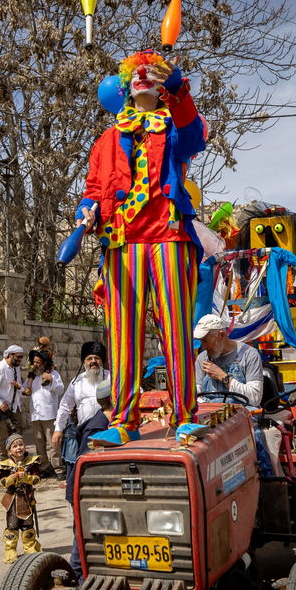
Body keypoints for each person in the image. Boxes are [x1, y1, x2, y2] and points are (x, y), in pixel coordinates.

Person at [75, 50, 207, 445]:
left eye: (152, 73)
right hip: (121, 240)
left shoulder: (174, 125)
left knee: (176, 328)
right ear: (126, 86)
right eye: (137, 73)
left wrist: (179, 87)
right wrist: (87, 211)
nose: (143, 76)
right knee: (123, 331)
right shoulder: (108, 137)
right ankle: (124, 420)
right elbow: (94, 188)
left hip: (168, 235)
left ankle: (185, 414)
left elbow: (194, 137)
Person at [194, 313, 274, 473]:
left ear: (221, 335)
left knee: (255, 436)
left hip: (242, 414)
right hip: (211, 415)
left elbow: (255, 397)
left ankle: (266, 481)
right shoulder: (202, 358)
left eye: (205, 340)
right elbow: (197, 393)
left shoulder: (249, 355)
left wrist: (224, 378)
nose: (202, 346)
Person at [64, 379, 113, 582]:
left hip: (89, 489)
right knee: (84, 536)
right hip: (84, 490)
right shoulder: (97, 427)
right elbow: (88, 464)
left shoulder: (106, 421)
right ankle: (78, 579)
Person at [53, 341, 108, 461]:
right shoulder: (76, 382)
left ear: (102, 361)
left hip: (108, 432)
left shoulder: (112, 378)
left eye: (97, 358)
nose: (93, 361)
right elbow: (64, 407)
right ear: (84, 362)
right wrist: (58, 429)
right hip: (84, 433)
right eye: (89, 358)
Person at [0, 434, 42, 563]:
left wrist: (26, 478)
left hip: (26, 499)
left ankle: (30, 547)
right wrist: (14, 477)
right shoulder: (5, 465)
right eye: (15, 446)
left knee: (28, 523)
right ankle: (10, 550)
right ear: (9, 450)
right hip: (12, 500)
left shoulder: (32, 462)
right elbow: (2, 482)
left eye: (21, 444)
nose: (18, 448)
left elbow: (37, 478)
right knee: (12, 524)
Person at [22, 349, 65, 476]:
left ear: (44, 363)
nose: (35, 364)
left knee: (53, 443)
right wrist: (20, 387)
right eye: (34, 362)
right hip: (35, 415)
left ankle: (58, 468)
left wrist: (51, 380)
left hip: (49, 414)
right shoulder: (32, 376)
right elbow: (25, 392)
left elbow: (60, 390)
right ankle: (45, 467)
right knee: (39, 443)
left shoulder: (54, 373)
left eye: (38, 362)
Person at [0, 345, 26, 456]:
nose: (20, 359)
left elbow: (17, 387)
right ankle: (3, 467)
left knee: (17, 439)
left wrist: (20, 388)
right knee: (2, 439)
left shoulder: (16, 368)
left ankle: (16, 465)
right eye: (18, 357)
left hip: (14, 408)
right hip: (0, 410)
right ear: (10, 355)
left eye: (21, 357)